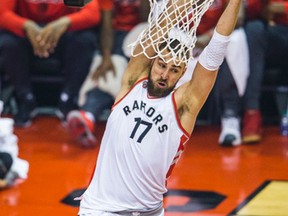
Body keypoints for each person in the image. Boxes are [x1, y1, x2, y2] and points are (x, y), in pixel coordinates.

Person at [78, 0, 242, 215]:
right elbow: (162, 26)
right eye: (162, 65)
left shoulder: (184, 105)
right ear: (152, 63)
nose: (165, 75)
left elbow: (217, 48)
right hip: (101, 208)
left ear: (184, 73)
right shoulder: (132, 83)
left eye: (174, 70)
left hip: (150, 210)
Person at [0, 0, 100, 127]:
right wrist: (26, 25)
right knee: (7, 42)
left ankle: (68, 98)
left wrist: (64, 23)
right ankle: (25, 98)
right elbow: (2, 13)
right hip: (27, 35)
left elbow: (93, 13)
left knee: (85, 40)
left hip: (63, 33)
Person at [66, 0, 150, 147]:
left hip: (141, 34)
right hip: (112, 37)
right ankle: (93, 117)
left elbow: (146, 19)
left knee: (118, 66)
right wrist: (106, 56)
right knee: (104, 65)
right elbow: (107, 25)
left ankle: (89, 114)